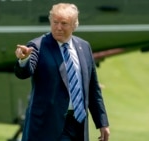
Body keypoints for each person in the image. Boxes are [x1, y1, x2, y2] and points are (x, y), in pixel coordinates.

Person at [14, 3, 110, 141]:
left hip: (78, 125)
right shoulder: (37, 46)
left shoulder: (84, 47)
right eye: (55, 22)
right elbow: (24, 72)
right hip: (47, 127)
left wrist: (102, 122)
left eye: (64, 23)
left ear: (74, 25)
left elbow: (93, 89)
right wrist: (24, 59)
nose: (58, 27)